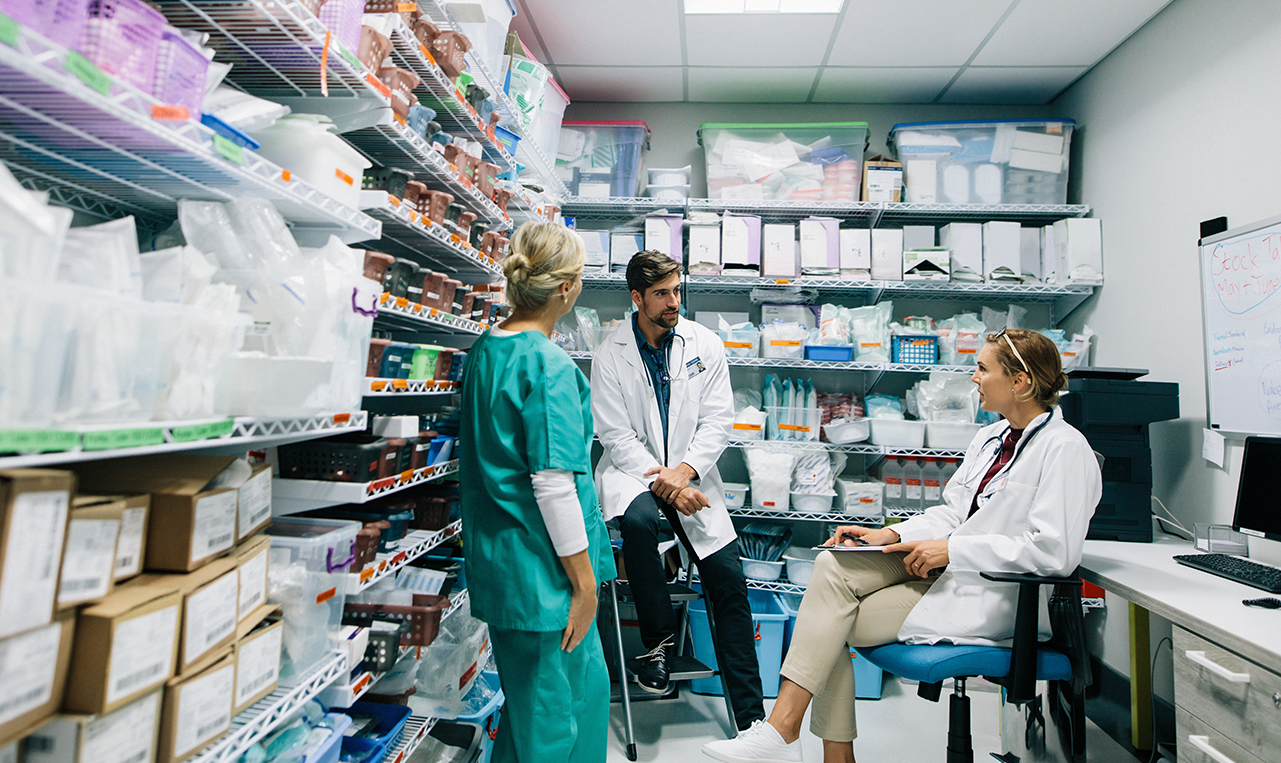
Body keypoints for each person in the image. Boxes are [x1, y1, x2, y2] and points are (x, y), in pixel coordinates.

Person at [703, 328, 1102, 763]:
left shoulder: (1064, 449)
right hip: (950, 569)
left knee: (831, 617)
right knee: (832, 564)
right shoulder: (990, 440)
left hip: (998, 594)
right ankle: (793, 734)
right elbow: (952, 514)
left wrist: (954, 551)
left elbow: (1053, 552)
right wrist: (890, 534)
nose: (974, 378)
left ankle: (794, 735)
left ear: (1020, 382)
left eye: (983, 369)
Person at [458, 221, 615, 763]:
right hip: (547, 579)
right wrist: (585, 585)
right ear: (567, 289)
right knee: (558, 722)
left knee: (532, 717)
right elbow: (552, 486)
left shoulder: (488, 350)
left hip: (508, 569)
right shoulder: (546, 365)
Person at [591, 249, 766, 731]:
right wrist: (662, 478)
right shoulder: (611, 354)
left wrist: (684, 472)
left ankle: (751, 719)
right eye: (663, 294)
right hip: (635, 474)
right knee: (641, 522)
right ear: (637, 297)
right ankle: (658, 648)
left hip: (693, 476)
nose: (674, 302)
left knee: (728, 580)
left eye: (677, 290)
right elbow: (615, 435)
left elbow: (717, 421)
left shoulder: (704, 344)